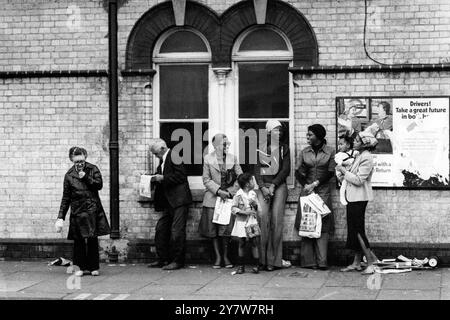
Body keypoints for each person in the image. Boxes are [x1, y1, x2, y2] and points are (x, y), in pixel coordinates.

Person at [56, 147, 110, 277]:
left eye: (81, 161)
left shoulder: (93, 169)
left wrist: (86, 177)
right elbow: (66, 197)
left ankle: (93, 267)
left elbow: (99, 185)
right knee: (78, 241)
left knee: (92, 239)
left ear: (85, 158)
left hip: (92, 209)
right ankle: (79, 267)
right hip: (77, 211)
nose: (79, 164)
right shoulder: (69, 175)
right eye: (76, 162)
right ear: (72, 161)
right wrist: (60, 217)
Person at [294, 124, 336, 270]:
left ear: (318, 136)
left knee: (323, 224)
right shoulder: (304, 152)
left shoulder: (330, 151)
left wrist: (315, 184)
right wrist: (307, 184)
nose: (307, 137)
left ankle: (322, 261)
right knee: (307, 222)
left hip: (323, 191)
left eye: (310, 135)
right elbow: (298, 171)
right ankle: (308, 262)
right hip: (307, 191)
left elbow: (331, 172)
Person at [336, 131, 378, 275]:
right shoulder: (359, 156)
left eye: (357, 141)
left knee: (358, 231)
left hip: (359, 198)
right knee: (354, 230)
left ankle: (371, 262)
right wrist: (344, 175)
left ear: (364, 143)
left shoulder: (366, 158)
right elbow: (352, 176)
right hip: (353, 197)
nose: (354, 142)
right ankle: (356, 262)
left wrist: (343, 170)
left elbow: (359, 180)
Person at [147, 138, 192, 270]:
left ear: (162, 148)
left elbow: (181, 176)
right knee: (161, 229)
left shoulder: (175, 156)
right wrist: (151, 177)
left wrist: (163, 178)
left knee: (177, 231)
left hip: (179, 200)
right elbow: (163, 174)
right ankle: (163, 259)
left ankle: (178, 261)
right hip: (169, 201)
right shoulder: (164, 159)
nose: (156, 156)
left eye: (156, 154)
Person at [199, 133, 242, 269]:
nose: (226, 146)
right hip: (213, 197)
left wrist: (230, 192)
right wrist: (218, 191)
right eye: (224, 143)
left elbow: (240, 177)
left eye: (227, 143)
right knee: (213, 231)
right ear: (216, 145)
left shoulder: (233, 158)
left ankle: (226, 256)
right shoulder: (208, 159)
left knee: (225, 230)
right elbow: (206, 180)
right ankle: (217, 257)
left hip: (228, 199)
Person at [254, 120, 290, 271]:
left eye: (280, 130)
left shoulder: (284, 148)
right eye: (276, 130)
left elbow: (285, 169)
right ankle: (262, 260)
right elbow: (256, 170)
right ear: (268, 132)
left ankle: (273, 261)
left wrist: (274, 185)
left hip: (279, 186)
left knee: (276, 221)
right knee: (263, 220)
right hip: (263, 187)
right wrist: (262, 187)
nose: (279, 132)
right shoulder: (260, 148)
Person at [230, 173, 261, 274]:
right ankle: (240, 266)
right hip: (241, 222)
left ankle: (256, 265)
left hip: (252, 221)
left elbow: (258, 208)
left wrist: (255, 205)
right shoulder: (238, 195)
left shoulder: (253, 194)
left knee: (254, 242)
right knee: (242, 242)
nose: (253, 183)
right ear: (247, 184)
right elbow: (233, 208)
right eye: (252, 181)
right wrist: (244, 212)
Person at [335, 134, 359, 206]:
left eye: (341, 144)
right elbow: (337, 161)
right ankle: (342, 197)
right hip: (342, 173)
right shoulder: (339, 154)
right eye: (339, 144)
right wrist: (343, 162)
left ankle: (349, 196)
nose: (339, 146)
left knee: (350, 184)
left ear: (348, 145)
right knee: (344, 183)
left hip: (349, 172)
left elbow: (358, 157)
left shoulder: (354, 152)